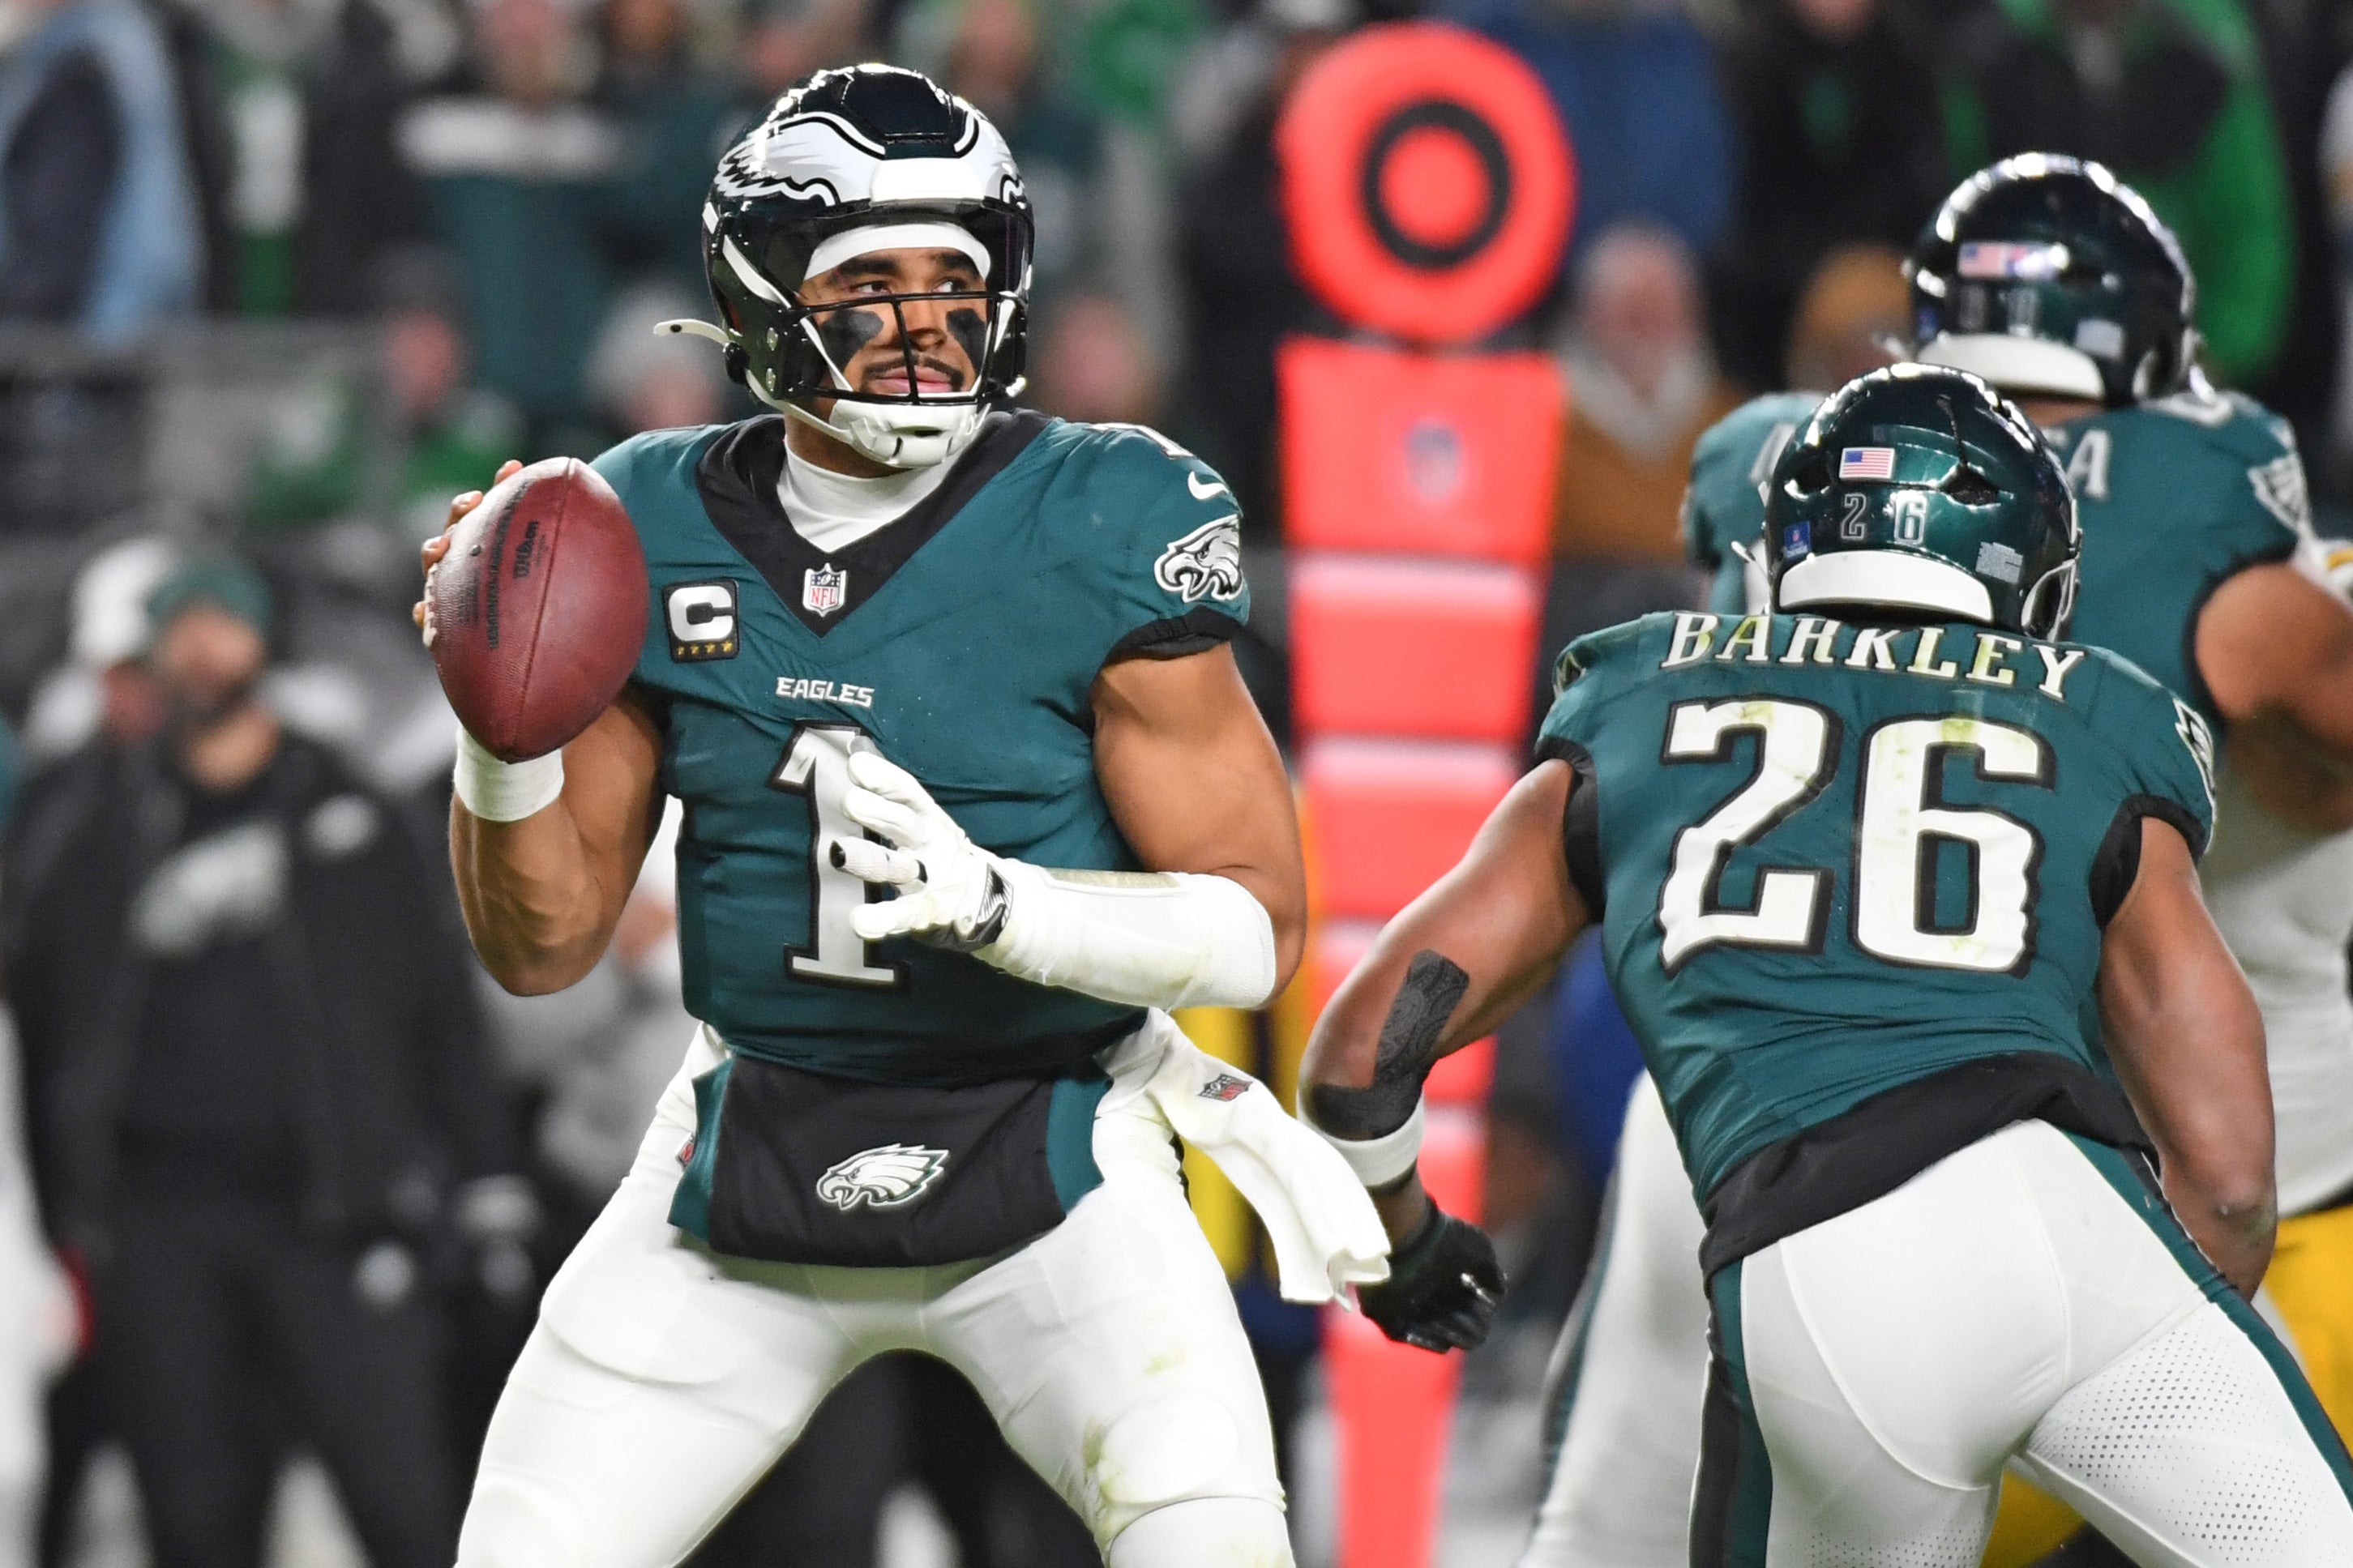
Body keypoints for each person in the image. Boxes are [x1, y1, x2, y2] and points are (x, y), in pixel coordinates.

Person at [416, 65, 1394, 1568]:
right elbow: (540, 948)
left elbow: (1255, 926)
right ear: (758, 299)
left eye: (955, 279)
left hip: (1050, 1157)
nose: (926, 323)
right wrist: (499, 736)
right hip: (748, 1156)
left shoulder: (1100, 512)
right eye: (870, 283)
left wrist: (1004, 907)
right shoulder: (641, 519)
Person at [1306, 361, 2353, 1564]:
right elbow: (2227, 1172)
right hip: (2077, 1224)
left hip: (1825, 1268)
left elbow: (1359, 1056)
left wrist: (1403, 1244)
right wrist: (2160, 1316)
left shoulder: (1638, 695)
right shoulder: (2097, 714)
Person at [1530, 154, 2353, 1568]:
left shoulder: (1788, 480)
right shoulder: (2231, 567)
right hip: (2132, 1210)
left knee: (1617, 1535)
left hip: (1752, 1149)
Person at [2, 553, 526, 1568]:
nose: (203, 651)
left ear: (265, 644)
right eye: (181, 628)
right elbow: (48, 1023)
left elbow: (439, 1009)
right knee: (193, 1524)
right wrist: (68, 1212)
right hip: (157, 1223)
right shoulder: (95, 821)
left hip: (335, 1215)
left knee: (406, 1508)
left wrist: (484, 1173)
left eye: (225, 624)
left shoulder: (351, 809)